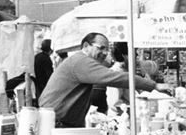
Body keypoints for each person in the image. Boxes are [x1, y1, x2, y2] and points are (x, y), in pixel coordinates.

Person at [40, 32, 168, 127]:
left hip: (58, 119)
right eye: (100, 48)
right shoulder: (81, 61)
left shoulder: (79, 61)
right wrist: (153, 85)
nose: (105, 53)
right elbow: (114, 77)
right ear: (86, 46)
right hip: (56, 121)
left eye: (107, 49)